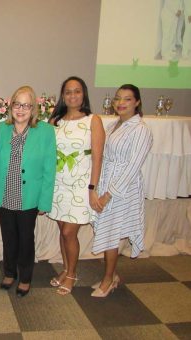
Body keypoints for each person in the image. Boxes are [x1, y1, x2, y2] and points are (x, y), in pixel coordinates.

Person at [0, 86, 56, 297]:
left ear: (33, 108)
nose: (21, 109)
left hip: (29, 197)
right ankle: (9, 272)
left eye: (27, 105)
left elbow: (49, 169)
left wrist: (45, 201)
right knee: (8, 237)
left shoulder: (45, 131)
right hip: (4, 194)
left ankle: (25, 277)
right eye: (17, 104)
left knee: (26, 239)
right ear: (11, 106)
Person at [91, 84, 153, 298]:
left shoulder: (140, 129)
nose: (121, 103)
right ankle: (111, 274)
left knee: (111, 232)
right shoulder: (113, 124)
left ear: (137, 102)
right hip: (107, 181)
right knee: (108, 230)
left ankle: (108, 280)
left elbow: (132, 167)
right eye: (118, 98)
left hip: (122, 189)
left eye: (127, 99)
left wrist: (108, 194)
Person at [47, 76, 105, 296]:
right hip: (58, 184)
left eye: (77, 91)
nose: (73, 95)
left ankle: (72, 274)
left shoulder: (93, 120)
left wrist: (93, 189)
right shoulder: (55, 121)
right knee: (62, 231)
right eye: (68, 92)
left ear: (84, 94)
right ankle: (65, 269)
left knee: (70, 232)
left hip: (81, 185)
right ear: (63, 95)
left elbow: (98, 157)